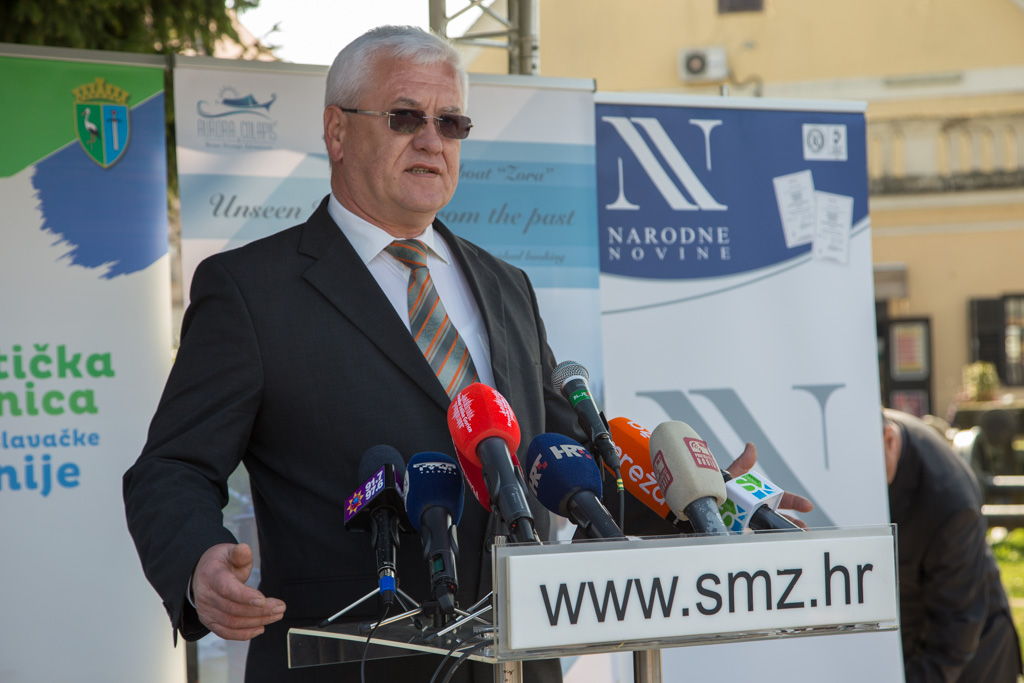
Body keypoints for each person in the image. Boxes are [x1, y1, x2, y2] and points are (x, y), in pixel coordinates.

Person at [123, 25, 810, 683]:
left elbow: (559, 460)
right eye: (405, 117)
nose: (431, 139)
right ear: (337, 130)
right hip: (350, 660)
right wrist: (199, 561)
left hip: (517, 658)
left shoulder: (506, 284)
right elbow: (171, 467)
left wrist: (703, 501)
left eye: (451, 123)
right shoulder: (251, 290)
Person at [883, 408, 1023, 682]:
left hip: (974, 653)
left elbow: (955, 631)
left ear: (889, 440)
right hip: (912, 636)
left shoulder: (949, 504)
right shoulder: (876, 432)